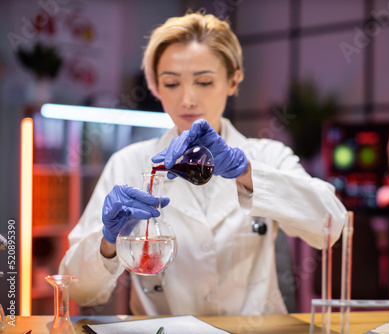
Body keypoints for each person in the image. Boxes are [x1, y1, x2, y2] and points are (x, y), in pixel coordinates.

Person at [59, 12, 346, 316]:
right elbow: (78, 289)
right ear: (155, 86)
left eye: (204, 81)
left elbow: (331, 226)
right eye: (171, 83)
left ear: (233, 79)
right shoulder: (128, 164)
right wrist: (107, 243)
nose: (187, 99)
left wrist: (247, 173)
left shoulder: (267, 156)